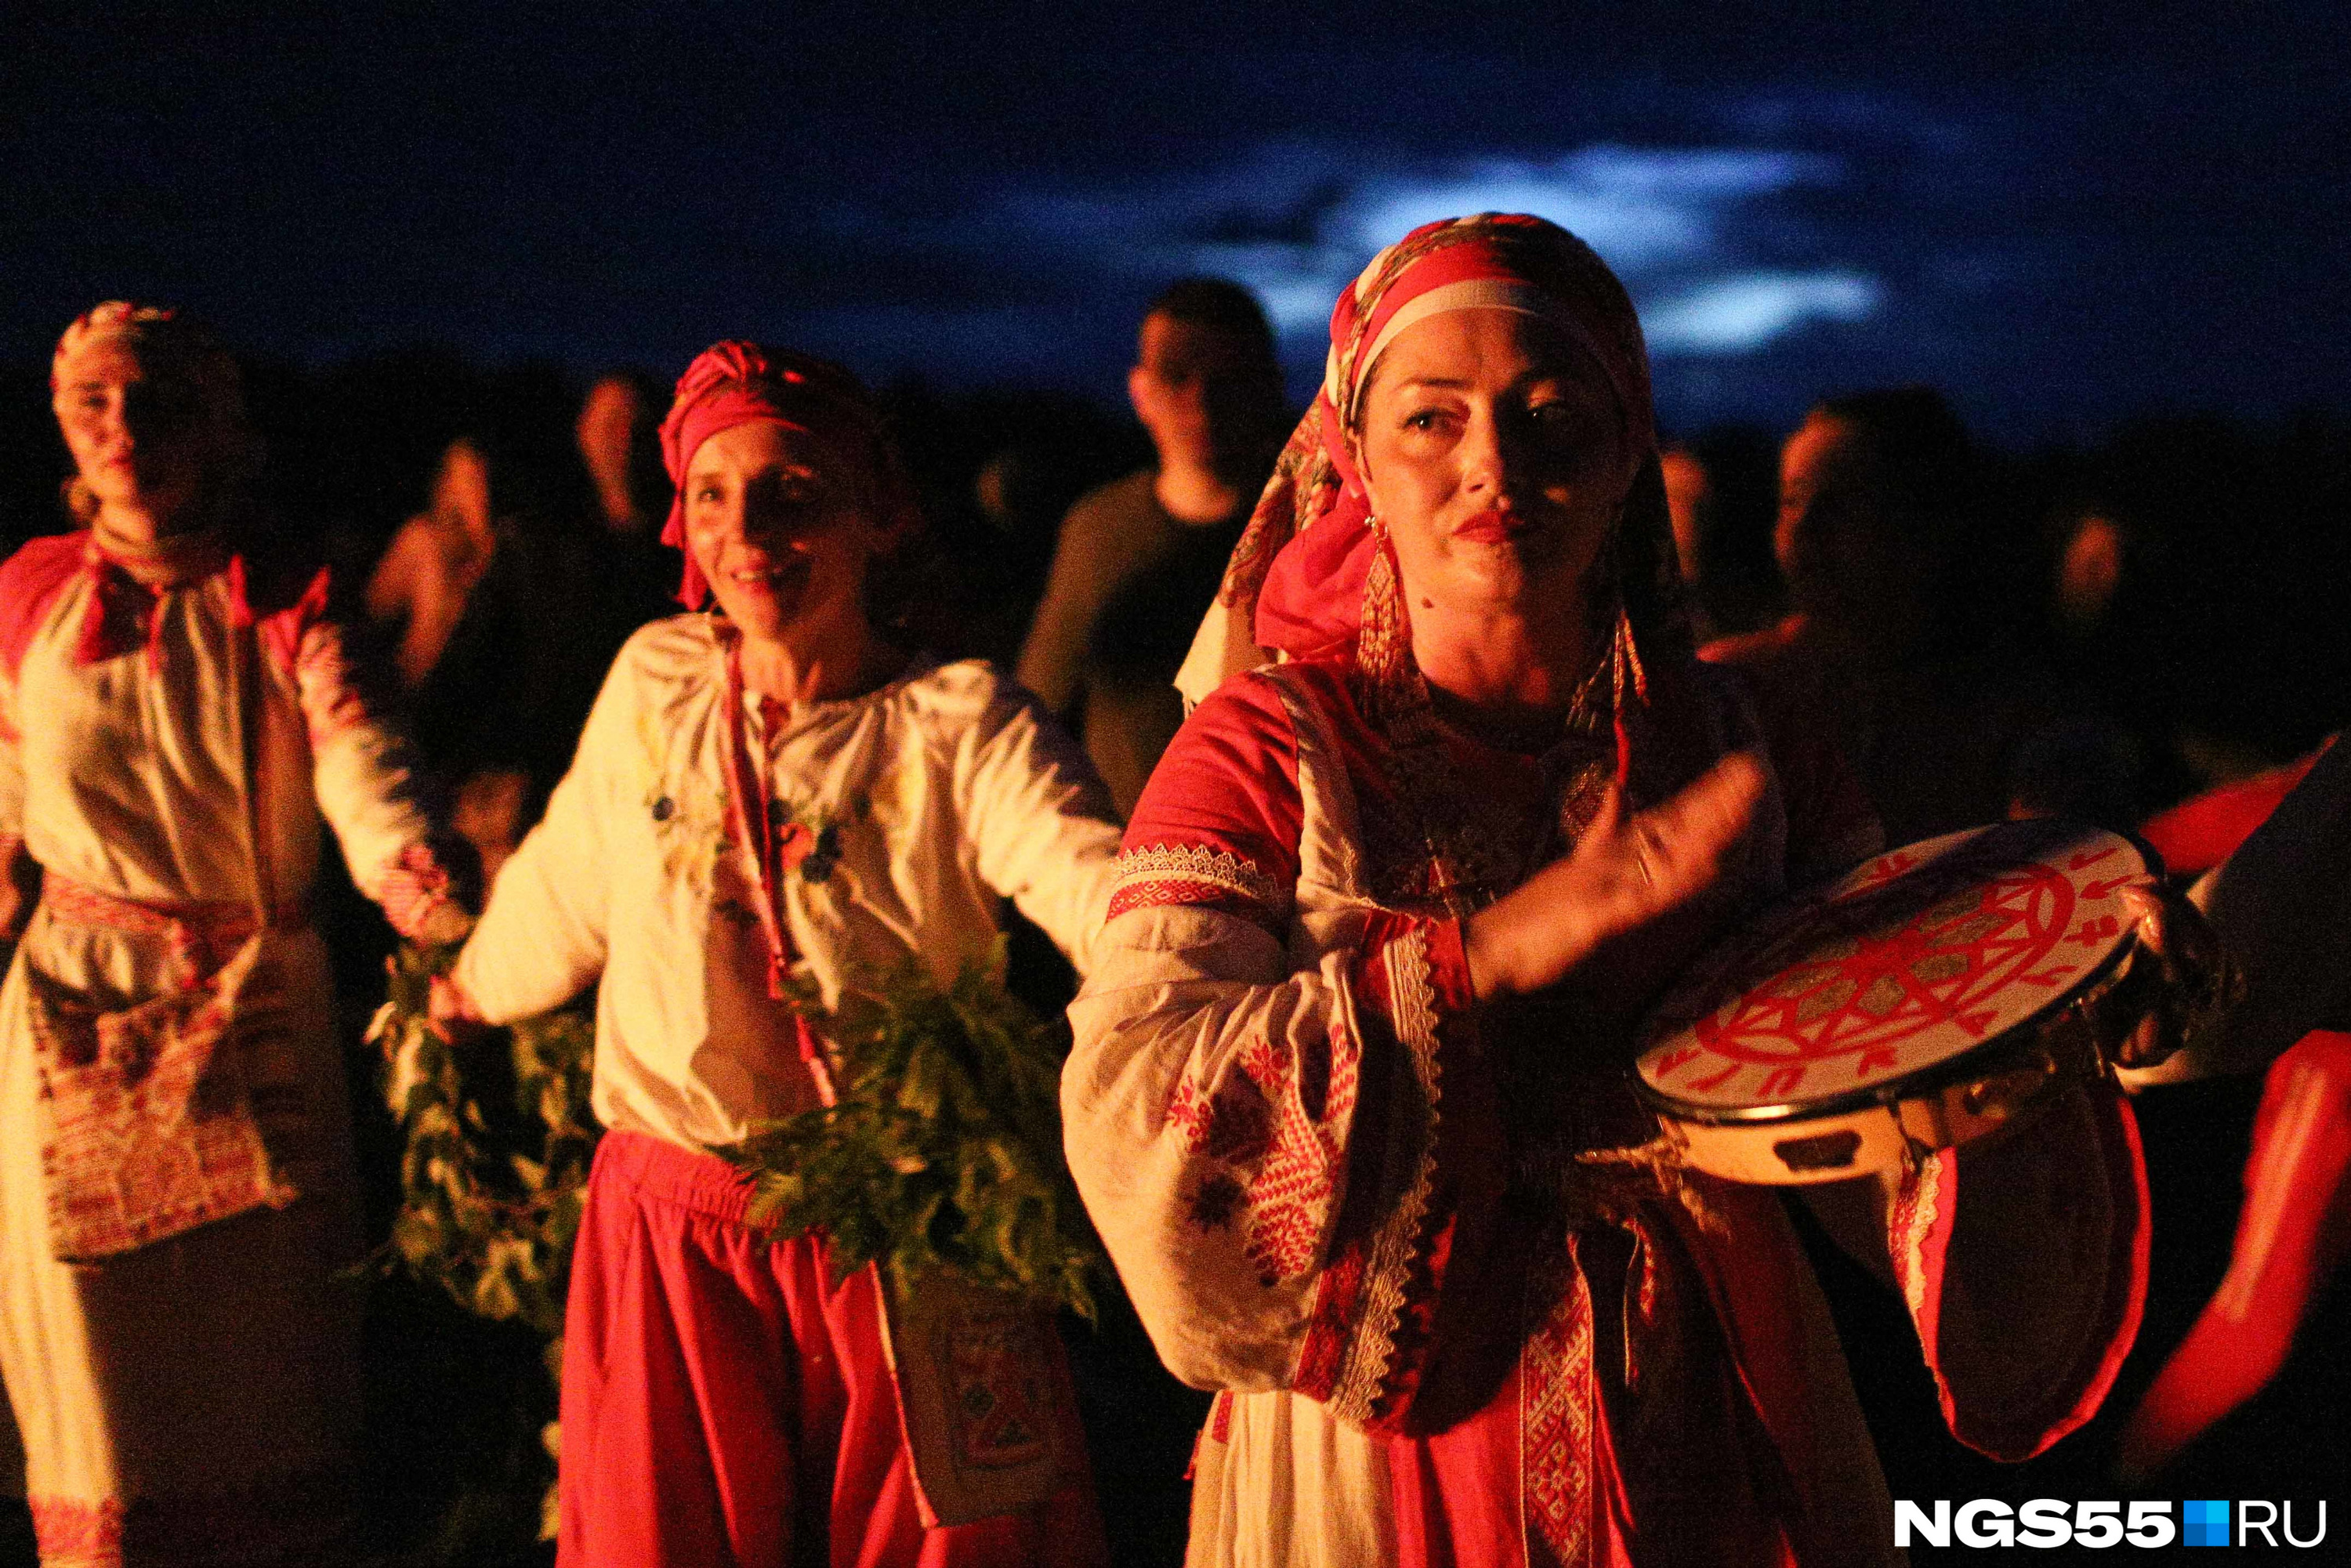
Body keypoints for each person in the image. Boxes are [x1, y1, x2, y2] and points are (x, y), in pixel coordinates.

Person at [1063, 216, 2157, 1566]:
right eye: (1430, 420)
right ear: (1356, 461)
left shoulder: (1746, 743)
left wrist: (2057, 1007)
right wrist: (1487, 957)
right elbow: (1132, 1105)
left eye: (1550, 414)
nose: (1493, 467)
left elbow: (1886, 1081)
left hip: (1710, 1382)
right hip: (1393, 1448)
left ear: (1628, 446)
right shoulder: (1265, 750)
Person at [432, 341, 1120, 1567]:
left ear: (876, 516)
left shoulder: (956, 726)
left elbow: (1088, 877)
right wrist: (470, 989)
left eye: (792, 493)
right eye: (712, 495)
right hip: (680, 1236)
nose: (746, 532)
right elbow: (569, 881)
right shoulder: (657, 684)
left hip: (909, 1228)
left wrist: (1199, 952)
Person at [0, 302, 467, 1564]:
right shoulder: (30, 595)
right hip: (70, 1019)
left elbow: (365, 770)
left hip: (252, 1017)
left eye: (151, 399)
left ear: (214, 427)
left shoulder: (285, 594)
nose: (121, 427)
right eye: (94, 400)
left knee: (261, 1383)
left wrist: (432, 903)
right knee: (108, 1394)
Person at [1704, 389, 2081, 841]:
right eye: (1793, 501)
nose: (1804, 527)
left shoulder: (2014, 718)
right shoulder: (1730, 688)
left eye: (1839, 506)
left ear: (1925, 530)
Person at [1016, 277, 1288, 816]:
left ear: (1267, 389)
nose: (1200, 402)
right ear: (1141, 393)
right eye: (1177, 376)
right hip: (1126, 869)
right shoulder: (1098, 532)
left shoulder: (1310, 530)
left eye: (1227, 381)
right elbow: (1036, 718)